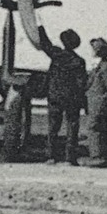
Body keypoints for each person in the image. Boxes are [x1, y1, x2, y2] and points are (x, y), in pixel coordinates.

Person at [35, 25, 88, 165]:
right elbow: (82, 84)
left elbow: (46, 45)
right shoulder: (79, 61)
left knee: (53, 128)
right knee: (72, 128)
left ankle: (51, 156)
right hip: (72, 99)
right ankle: (70, 158)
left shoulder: (57, 55)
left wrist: (40, 28)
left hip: (55, 97)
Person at [84, 38, 107, 167]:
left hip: (99, 103)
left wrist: (104, 102)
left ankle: (96, 156)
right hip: (96, 102)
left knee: (93, 128)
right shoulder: (100, 65)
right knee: (100, 129)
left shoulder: (104, 67)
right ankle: (104, 156)